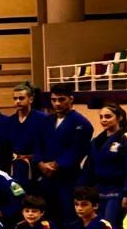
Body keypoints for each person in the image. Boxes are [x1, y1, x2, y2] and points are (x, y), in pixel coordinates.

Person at [36, 83, 92, 216]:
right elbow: (38, 144)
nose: (57, 104)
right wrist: (40, 163)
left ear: (71, 99)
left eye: (61, 99)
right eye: (53, 100)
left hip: (67, 177)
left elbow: (78, 150)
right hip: (45, 176)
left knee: (67, 214)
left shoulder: (82, 123)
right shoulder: (47, 120)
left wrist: (57, 164)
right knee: (47, 214)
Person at [83, 103, 127, 227]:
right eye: (101, 117)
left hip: (117, 191)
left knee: (110, 226)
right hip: (98, 191)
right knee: (97, 227)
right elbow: (89, 168)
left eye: (108, 117)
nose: (103, 120)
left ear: (119, 118)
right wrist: (83, 189)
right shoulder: (96, 141)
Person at [0, 82, 49, 188]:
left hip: (35, 167)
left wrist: (39, 160)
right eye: (15, 98)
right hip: (15, 168)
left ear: (30, 99)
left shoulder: (42, 119)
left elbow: (46, 144)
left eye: (21, 98)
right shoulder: (10, 121)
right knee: (17, 195)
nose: (17, 101)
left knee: (34, 199)